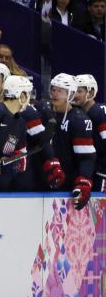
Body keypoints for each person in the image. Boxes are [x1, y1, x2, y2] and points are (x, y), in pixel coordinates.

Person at [46, 73, 94, 210]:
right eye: (53, 89)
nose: (55, 94)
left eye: (60, 91)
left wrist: (83, 182)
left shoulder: (79, 120)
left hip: (65, 188)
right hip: (42, 182)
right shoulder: (44, 113)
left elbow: (86, 158)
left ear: (71, 94)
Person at [74, 74, 106, 192]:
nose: (75, 94)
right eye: (74, 90)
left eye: (79, 91)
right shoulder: (78, 114)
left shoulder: (99, 112)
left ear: (91, 93)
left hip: (101, 174)